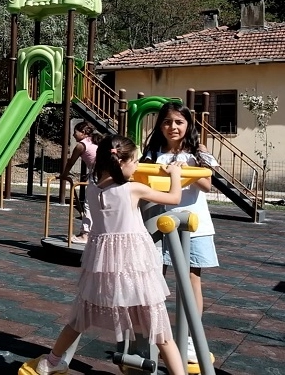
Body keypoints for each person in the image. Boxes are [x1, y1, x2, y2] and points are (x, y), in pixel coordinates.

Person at [34, 135, 186, 375]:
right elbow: (174, 197)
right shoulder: (132, 189)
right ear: (121, 162)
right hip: (134, 266)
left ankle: (51, 362)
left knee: (79, 317)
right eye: (135, 162)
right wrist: (175, 174)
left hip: (103, 265)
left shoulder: (92, 187)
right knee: (159, 327)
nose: (137, 166)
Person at [140, 101, 219, 364]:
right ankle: (156, 334)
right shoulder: (152, 153)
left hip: (192, 225)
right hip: (158, 224)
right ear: (160, 125)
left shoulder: (197, 152)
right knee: (155, 280)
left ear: (187, 125)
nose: (172, 127)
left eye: (178, 122)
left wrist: (185, 169)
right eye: (167, 122)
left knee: (191, 280)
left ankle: (189, 339)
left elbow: (207, 185)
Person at [59, 121, 103, 244]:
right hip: (106, 172)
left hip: (97, 174)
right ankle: (95, 231)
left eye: (75, 132)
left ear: (83, 133)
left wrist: (64, 174)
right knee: (101, 203)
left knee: (89, 204)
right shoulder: (96, 141)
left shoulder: (81, 145)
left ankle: (85, 234)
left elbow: (70, 162)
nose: (73, 135)